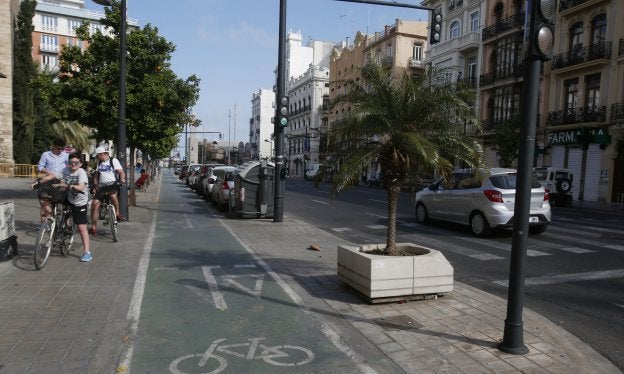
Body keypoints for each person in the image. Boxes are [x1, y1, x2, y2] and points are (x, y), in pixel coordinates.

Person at [33, 152, 92, 262]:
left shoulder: (81, 172)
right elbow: (53, 175)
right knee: (47, 199)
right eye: (71, 162)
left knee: (81, 227)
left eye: (76, 162)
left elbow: (81, 186)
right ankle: (53, 223)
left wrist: (67, 185)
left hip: (79, 201)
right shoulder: (65, 170)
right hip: (68, 196)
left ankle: (87, 252)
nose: (73, 164)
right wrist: (38, 182)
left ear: (80, 164)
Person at [90, 146, 126, 235]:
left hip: (112, 184)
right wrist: (95, 185)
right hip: (101, 186)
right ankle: (94, 227)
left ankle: (117, 214)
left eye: (97, 155)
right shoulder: (99, 163)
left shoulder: (113, 161)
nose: (97, 157)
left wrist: (122, 179)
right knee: (94, 204)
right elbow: (96, 175)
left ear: (102, 154)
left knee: (113, 196)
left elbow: (121, 172)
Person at [36, 138, 69, 224]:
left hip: (61, 179)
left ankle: (66, 223)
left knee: (64, 200)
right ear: (53, 147)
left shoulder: (65, 155)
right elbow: (40, 166)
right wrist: (48, 172)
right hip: (49, 178)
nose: (60, 150)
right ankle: (43, 223)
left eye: (62, 149)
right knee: (43, 199)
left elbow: (70, 166)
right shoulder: (46, 155)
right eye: (59, 149)